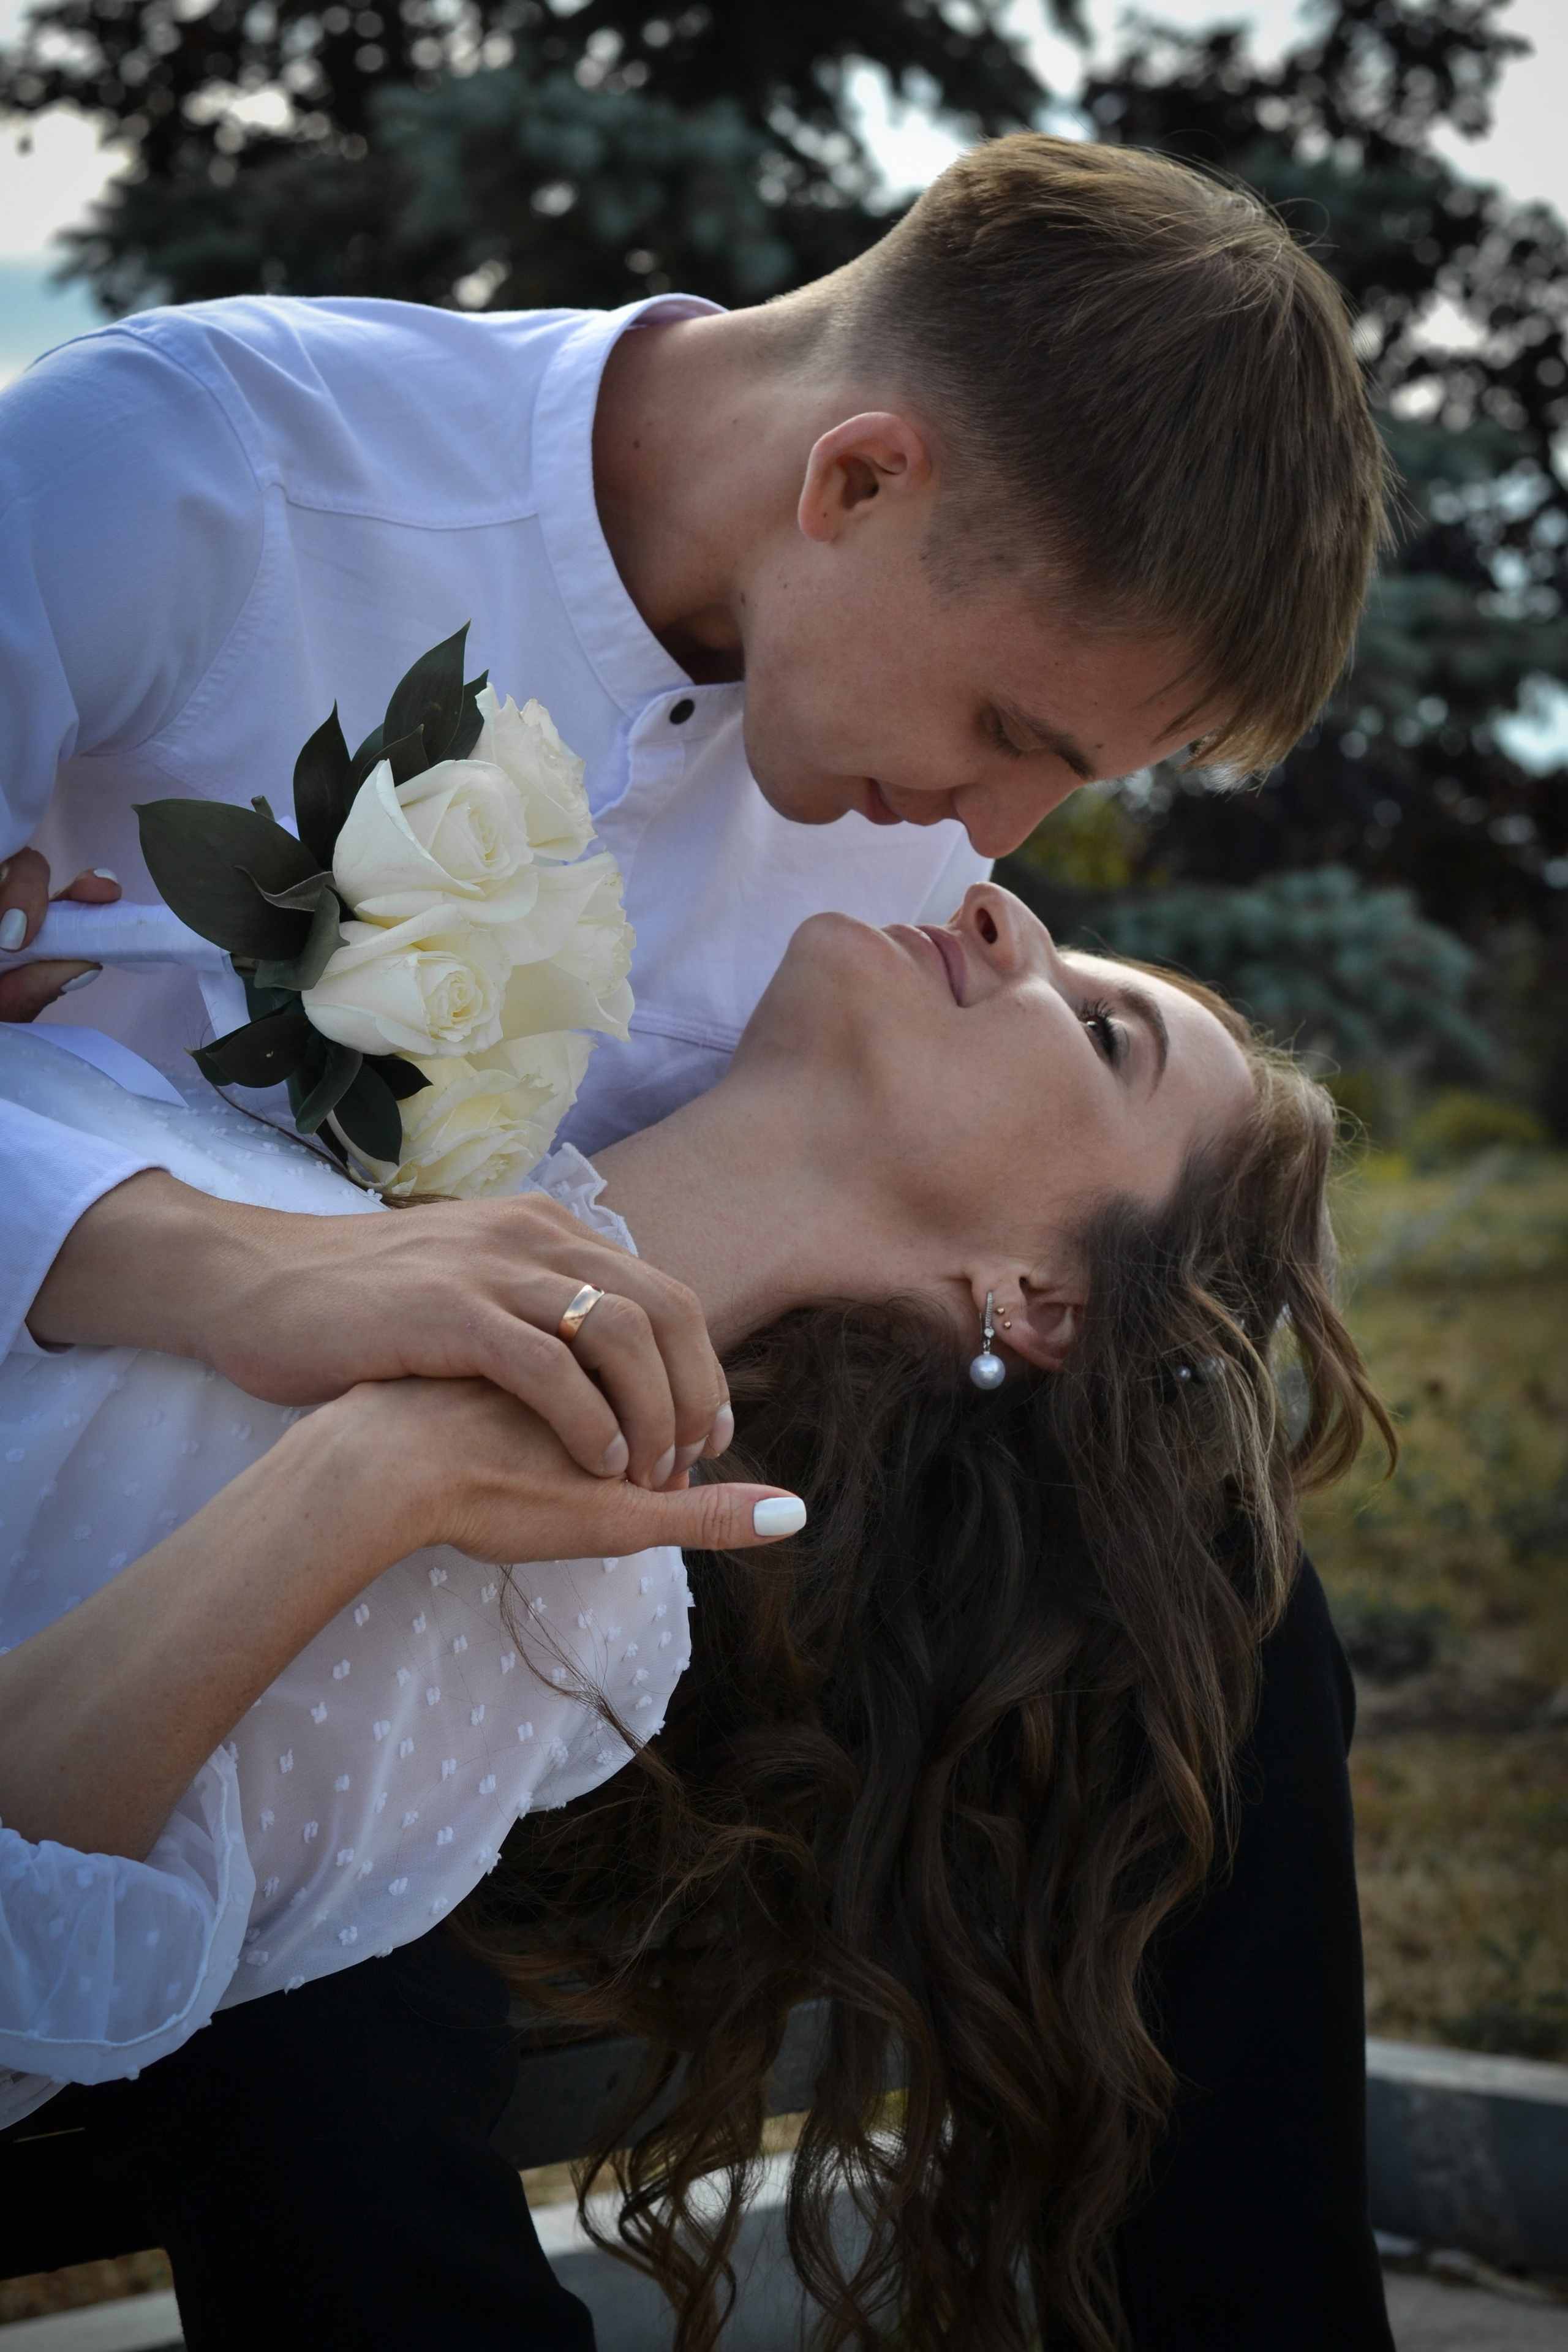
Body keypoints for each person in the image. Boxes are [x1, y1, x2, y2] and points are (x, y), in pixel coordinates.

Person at [0, 132, 1392, 2344]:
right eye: (1010, 736)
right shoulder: (181, 482)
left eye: (1075, 789)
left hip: (618, 1608)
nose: (994, 850)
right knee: (345, 1803)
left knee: (1236, 1593)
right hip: (170, 1560)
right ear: (857, 481)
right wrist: (227, 1266)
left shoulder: (903, 875)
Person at [1, 884, 1393, 2350]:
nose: (997, 910)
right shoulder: (359, 1127)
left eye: (1105, 1037)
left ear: (1037, 1299)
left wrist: (378, 1467)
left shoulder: (541, 1621)